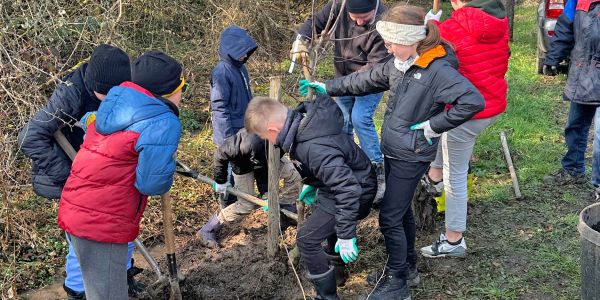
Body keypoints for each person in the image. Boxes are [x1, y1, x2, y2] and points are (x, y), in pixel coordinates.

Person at [299, 4, 485, 298]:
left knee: (389, 216)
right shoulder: (400, 63)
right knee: (401, 213)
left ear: (411, 39)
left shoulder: (436, 69)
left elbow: (472, 101)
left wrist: (433, 126)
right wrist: (328, 87)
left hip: (412, 154)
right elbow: (366, 78)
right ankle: (407, 268)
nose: (386, 47)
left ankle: (398, 281)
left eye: (390, 42)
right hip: (397, 149)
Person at [16, 44, 143, 299]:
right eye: (105, 94)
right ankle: (78, 290)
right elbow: (29, 137)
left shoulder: (120, 84)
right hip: (73, 177)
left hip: (104, 174)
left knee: (119, 226)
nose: (111, 100)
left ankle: (122, 276)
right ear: (93, 84)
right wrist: (71, 177)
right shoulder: (69, 95)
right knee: (83, 238)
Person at [57, 51, 184, 300]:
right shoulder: (163, 121)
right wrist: (165, 165)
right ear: (171, 92)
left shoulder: (112, 105)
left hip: (78, 211)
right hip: (103, 224)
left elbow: (93, 127)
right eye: (183, 87)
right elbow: (151, 183)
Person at [244, 96, 377, 299]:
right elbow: (329, 168)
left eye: (265, 137)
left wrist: (347, 234)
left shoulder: (313, 146)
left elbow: (347, 189)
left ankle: (327, 296)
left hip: (355, 190)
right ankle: (337, 274)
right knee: (327, 224)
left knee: (307, 239)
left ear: (272, 130)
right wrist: (313, 183)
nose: (268, 141)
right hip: (344, 184)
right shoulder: (304, 126)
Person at [417, 0, 510, 258]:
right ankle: (433, 178)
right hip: (491, 104)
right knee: (443, 141)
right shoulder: (500, 23)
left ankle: (454, 240)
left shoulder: (453, 27)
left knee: (455, 175)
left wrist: (430, 23)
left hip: (465, 112)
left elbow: (428, 45)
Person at [291, 0, 391, 202]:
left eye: (366, 17)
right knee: (342, 119)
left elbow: (373, 70)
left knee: (360, 117)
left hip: (371, 80)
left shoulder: (384, 21)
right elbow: (317, 21)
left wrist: (335, 86)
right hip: (343, 76)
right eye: (356, 17)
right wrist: (301, 38)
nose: (361, 22)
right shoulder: (339, 5)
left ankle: (376, 169)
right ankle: (347, 163)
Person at [197, 128, 303, 248]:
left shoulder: (283, 136)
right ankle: (209, 228)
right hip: (243, 166)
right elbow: (220, 154)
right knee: (246, 205)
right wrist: (220, 180)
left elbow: (264, 170)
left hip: (270, 159)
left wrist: (267, 195)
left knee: (295, 176)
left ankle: (285, 211)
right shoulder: (238, 144)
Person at [542, 0, 600, 196]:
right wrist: (553, 59)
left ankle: (598, 183)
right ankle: (572, 170)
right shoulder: (578, 1)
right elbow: (564, 28)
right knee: (575, 125)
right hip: (584, 72)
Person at [211, 25, 258, 207]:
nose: (245, 56)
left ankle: (240, 206)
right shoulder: (222, 72)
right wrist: (227, 140)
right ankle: (225, 212)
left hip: (243, 131)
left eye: (247, 52)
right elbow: (219, 108)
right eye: (242, 52)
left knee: (242, 172)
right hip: (230, 135)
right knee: (229, 175)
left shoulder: (240, 69)